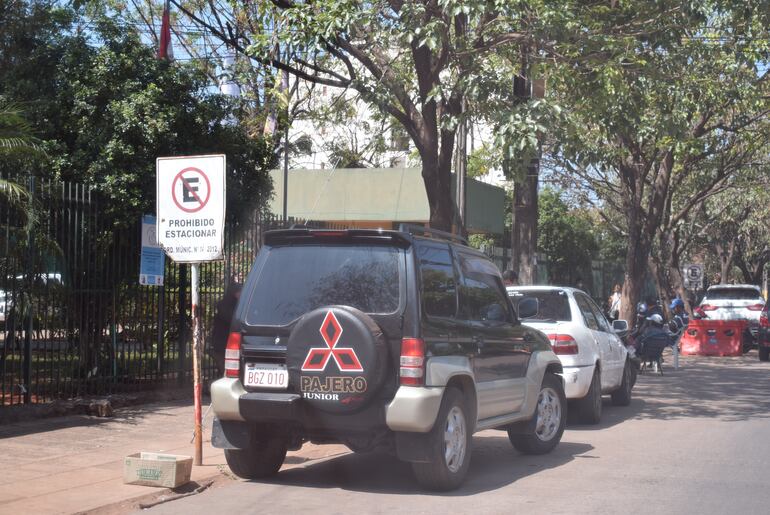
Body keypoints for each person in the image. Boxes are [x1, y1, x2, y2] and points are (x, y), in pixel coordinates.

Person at [209, 280, 243, 375]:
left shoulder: (238, 305)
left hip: (231, 342)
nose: (241, 294)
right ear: (234, 293)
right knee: (226, 370)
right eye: (239, 292)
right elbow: (231, 320)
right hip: (222, 342)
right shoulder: (225, 305)